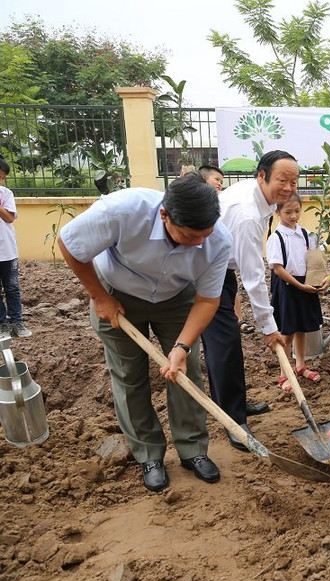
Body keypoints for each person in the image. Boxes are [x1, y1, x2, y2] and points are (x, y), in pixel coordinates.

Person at [57, 173, 233, 492]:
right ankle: (149, 455)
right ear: (164, 215)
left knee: (186, 371)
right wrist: (99, 296)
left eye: (204, 235)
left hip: (176, 297)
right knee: (129, 376)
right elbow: (69, 243)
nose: (198, 243)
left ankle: (193, 450)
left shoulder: (218, 240)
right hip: (117, 293)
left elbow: (208, 300)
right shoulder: (122, 211)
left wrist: (182, 346)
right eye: (189, 235)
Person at [202, 150, 298, 451]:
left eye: (294, 182)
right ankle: (233, 419)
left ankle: (235, 404)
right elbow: (254, 276)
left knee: (227, 342)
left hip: (222, 266)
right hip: (205, 272)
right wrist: (269, 328)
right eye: (282, 180)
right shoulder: (247, 213)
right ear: (262, 176)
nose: (289, 188)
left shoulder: (261, 199)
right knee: (224, 343)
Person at [266, 194, 327, 391]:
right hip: (287, 287)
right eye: (288, 212)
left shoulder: (305, 234)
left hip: (305, 284)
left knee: (301, 328)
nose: (293, 216)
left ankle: (300, 365)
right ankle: (284, 374)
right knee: (287, 332)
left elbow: (315, 260)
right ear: (277, 212)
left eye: (297, 211)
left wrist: (324, 278)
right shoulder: (276, 238)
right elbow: (278, 269)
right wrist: (299, 286)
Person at [200, 164, 254, 335]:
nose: (219, 184)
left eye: (221, 182)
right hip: (205, 264)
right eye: (216, 179)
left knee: (229, 289)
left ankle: (238, 318)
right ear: (203, 179)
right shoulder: (199, 204)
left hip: (224, 262)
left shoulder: (225, 203)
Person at [0, 157, 32, 338]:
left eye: (2, 178)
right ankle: (2, 324)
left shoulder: (6, 194)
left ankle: (17, 321)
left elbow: (9, 218)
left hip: (7, 251)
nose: (0, 181)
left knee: (12, 287)